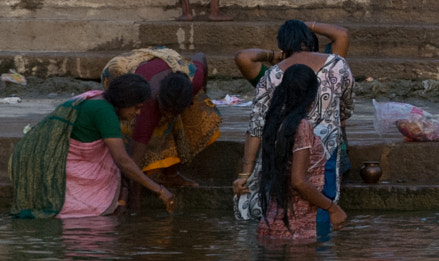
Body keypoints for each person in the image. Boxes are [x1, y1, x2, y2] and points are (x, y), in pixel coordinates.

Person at [233, 20, 354, 227]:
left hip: (283, 151)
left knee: (282, 207)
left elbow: (256, 128)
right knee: (321, 208)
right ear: (309, 41)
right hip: (325, 150)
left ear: (282, 45)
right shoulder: (337, 65)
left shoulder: (271, 75)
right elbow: (346, 110)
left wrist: (246, 173)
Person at [10, 73, 174, 218]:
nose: (137, 113)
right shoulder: (104, 111)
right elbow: (123, 161)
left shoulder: (100, 100)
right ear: (124, 102)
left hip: (33, 153)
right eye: (136, 108)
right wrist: (159, 190)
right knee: (87, 208)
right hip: (42, 160)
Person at [98, 47, 218, 192]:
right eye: (165, 111)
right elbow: (132, 163)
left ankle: (170, 174)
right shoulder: (147, 105)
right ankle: (157, 172)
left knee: (187, 117)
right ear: (158, 99)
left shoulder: (194, 81)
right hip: (120, 69)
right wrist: (130, 202)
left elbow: (200, 55)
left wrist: (203, 90)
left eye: (174, 112)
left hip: (163, 60)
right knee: (134, 128)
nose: (168, 117)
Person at [249, 63, 347, 240]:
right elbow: (299, 182)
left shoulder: (275, 122)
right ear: (311, 94)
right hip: (295, 229)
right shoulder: (301, 127)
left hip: (271, 226)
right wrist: (333, 208)